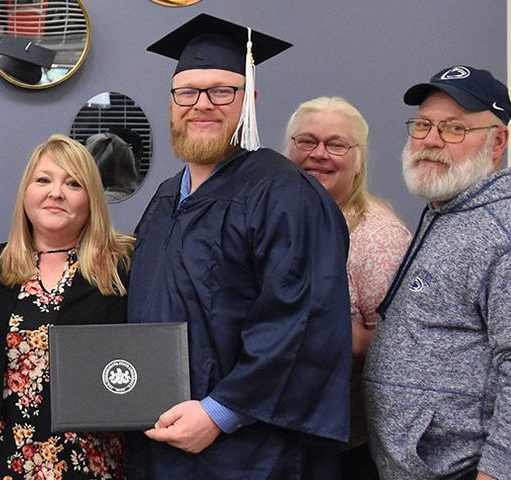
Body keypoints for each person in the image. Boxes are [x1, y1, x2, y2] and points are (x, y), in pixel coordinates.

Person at [128, 14, 352, 478]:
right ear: (172, 104)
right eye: (187, 92)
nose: (201, 105)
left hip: (250, 452)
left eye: (221, 91)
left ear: (248, 99)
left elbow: (301, 323)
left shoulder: (285, 194)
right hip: (162, 439)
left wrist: (219, 411)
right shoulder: (169, 194)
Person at [364, 65, 511, 480]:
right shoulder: (445, 212)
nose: (430, 140)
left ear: (497, 141)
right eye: (423, 124)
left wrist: (498, 472)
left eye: (454, 129)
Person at [0, 135, 132, 479]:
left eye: (73, 183)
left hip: (92, 460)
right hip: (8, 457)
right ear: (26, 193)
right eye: (43, 180)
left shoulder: (122, 267)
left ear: (91, 197)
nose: (56, 192)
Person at [283, 97, 411, 476]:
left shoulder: (378, 237)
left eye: (336, 144)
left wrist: (313, 327)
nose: (319, 154)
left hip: (345, 448)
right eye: (306, 141)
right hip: (280, 437)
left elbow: (401, 345)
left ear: (359, 159)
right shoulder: (278, 220)